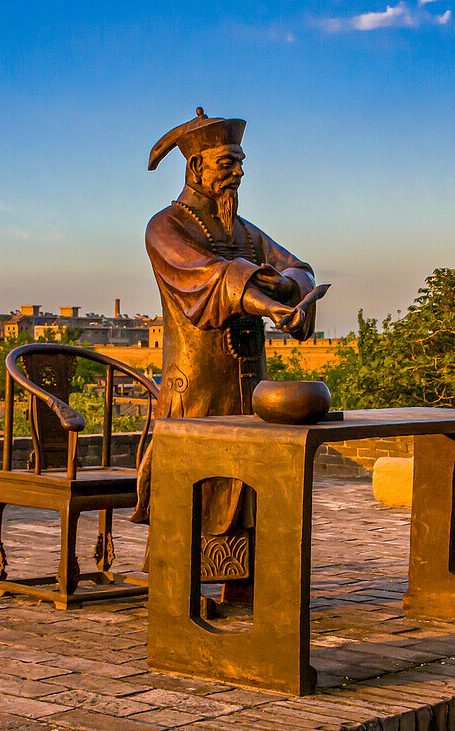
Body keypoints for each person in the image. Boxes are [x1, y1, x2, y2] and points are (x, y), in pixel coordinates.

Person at [132, 108, 320, 601]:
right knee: (194, 489)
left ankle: (244, 587)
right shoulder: (167, 227)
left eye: (240, 162)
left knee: (247, 488)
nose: (239, 172)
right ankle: (180, 596)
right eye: (227, 162)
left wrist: (289, 294)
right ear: (196, 168)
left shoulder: (245, 231)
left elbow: (297, 267)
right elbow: (210, 278)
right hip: (198, 386)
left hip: (249, 385)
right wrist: (269, 303)